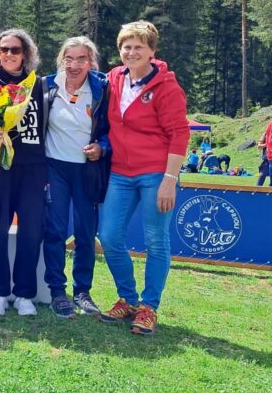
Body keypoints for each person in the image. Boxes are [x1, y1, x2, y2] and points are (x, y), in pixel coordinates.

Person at [98, 21, 189, 335]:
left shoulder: (166, 87)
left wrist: (169, 179)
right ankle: (127, 298)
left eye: (138, 47)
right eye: (126, 46)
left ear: (152, 51)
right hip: (120, 173)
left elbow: (179, 133)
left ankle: (149, 307)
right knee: (108, 236)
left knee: (155, 241)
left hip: (155, 173)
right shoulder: (114, 78)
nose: (131, 52)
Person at [0, 29, 47, 317]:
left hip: (33, 168)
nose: (8, 54)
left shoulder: (39, 86)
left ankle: (25, 294)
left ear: (25, 54)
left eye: (15, 50)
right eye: (3, 50)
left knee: (31, 231)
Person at [40, 37, 110, 319]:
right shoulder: (47, 86)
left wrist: (102, 147)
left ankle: (83, 292)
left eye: (81, 59)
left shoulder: (101, 89)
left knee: (85, 234)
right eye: (69, 58)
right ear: (61, 60)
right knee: (55, 231)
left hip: (87, 171)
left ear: (91, 62)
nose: (74, 65)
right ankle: (57, 291)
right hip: (55, 169)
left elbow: (111, 129)